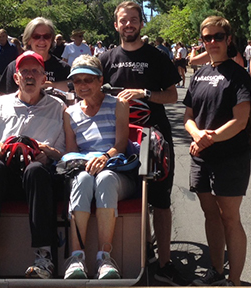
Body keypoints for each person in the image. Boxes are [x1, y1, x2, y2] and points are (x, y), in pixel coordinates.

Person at [98, 1, 185, 285]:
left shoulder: (158, 56)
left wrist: (145, 93)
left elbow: (172, 96)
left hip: (154, 136)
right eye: (124, 20)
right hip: (118, 138)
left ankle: (164, 262)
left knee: (160, 200)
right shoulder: (106, 58)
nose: (129, 24)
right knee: (124, 194)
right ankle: (124, 252)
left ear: (141, 23)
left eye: (134, 19)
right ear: (116, 25)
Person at [0, 51, 65, 279]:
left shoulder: (57, 107)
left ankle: (44, 256)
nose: (30, 76)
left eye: (35, 72)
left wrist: (48, 154)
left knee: (36, 170)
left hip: (40, 180)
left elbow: (66, 151)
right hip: (5, 177)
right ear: (16, 78)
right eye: (24, 72)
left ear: (43, 78)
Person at [184, 16, 251, 286]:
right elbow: (188, 116)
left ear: (228, 40)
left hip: (230, 157)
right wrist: (197, 134)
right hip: (201, 156)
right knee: (210, 213)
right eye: (207, 38)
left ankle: (234, 281)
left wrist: (207, 139)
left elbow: (241, 120)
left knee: (230, 218)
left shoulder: (238, 75)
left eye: (218, 37)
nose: (212, 42)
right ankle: (216, 271)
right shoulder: (199, 74)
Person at [62, 55, 135, 280]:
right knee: (83, 179)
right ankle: (76, 258)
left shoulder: (118, 104)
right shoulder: (70, 113)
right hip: (85, 171)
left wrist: (105, 157)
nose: (82, 86)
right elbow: (71, 151)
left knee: (105, 179)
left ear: (100, 80)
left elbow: (121, 143)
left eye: (88, 80)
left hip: (116, 170)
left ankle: (105, 257)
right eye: (78, 81)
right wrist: (83, 164)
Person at [0, 17, 71, 95]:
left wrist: (50, 85)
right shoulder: (14, 67)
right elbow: (4, 97)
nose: (42, 40)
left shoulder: (63, 68)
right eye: (36, 36)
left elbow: (75, 88)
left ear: (51, 39)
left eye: (46, 36)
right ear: (28, 40)